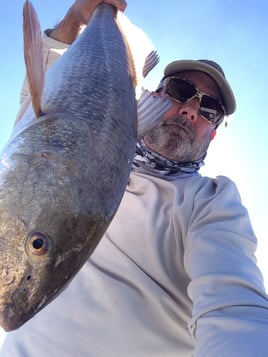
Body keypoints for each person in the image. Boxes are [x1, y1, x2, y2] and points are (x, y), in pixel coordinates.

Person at [1, 0, 268, 356]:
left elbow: (235, 309)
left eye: (209, 110)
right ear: (154, 93)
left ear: (213, 133)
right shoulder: (76, 135)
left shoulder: (210, 203)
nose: (190, 109)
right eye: (181, 92)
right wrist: (78, 17)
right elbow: (38, 98)